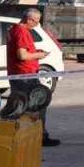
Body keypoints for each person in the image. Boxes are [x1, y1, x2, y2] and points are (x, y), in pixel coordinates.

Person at [6, 8, 59, 147]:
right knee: (38, 104)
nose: (37, 24)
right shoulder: (22, 32)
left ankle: (21, 134)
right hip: (25, 75)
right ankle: (39, 136)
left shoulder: (15, 30)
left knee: (21, 105)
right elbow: (22, 55)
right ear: (28, 19)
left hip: (20, 74)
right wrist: (39, 55)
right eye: (36, 21)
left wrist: (35, 52)